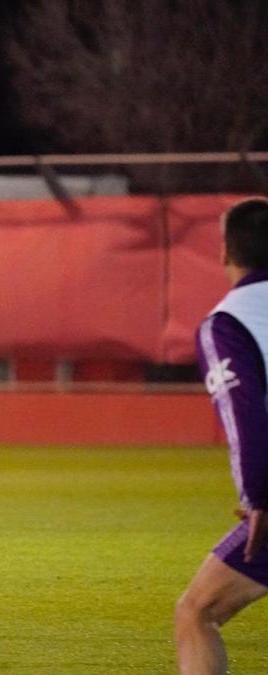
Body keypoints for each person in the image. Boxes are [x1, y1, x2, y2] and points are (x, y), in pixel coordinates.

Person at [175, 197, 268, 673]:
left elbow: (243, 413)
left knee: (197, 612)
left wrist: (258, 497)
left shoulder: (230, 323)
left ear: (224, 251)